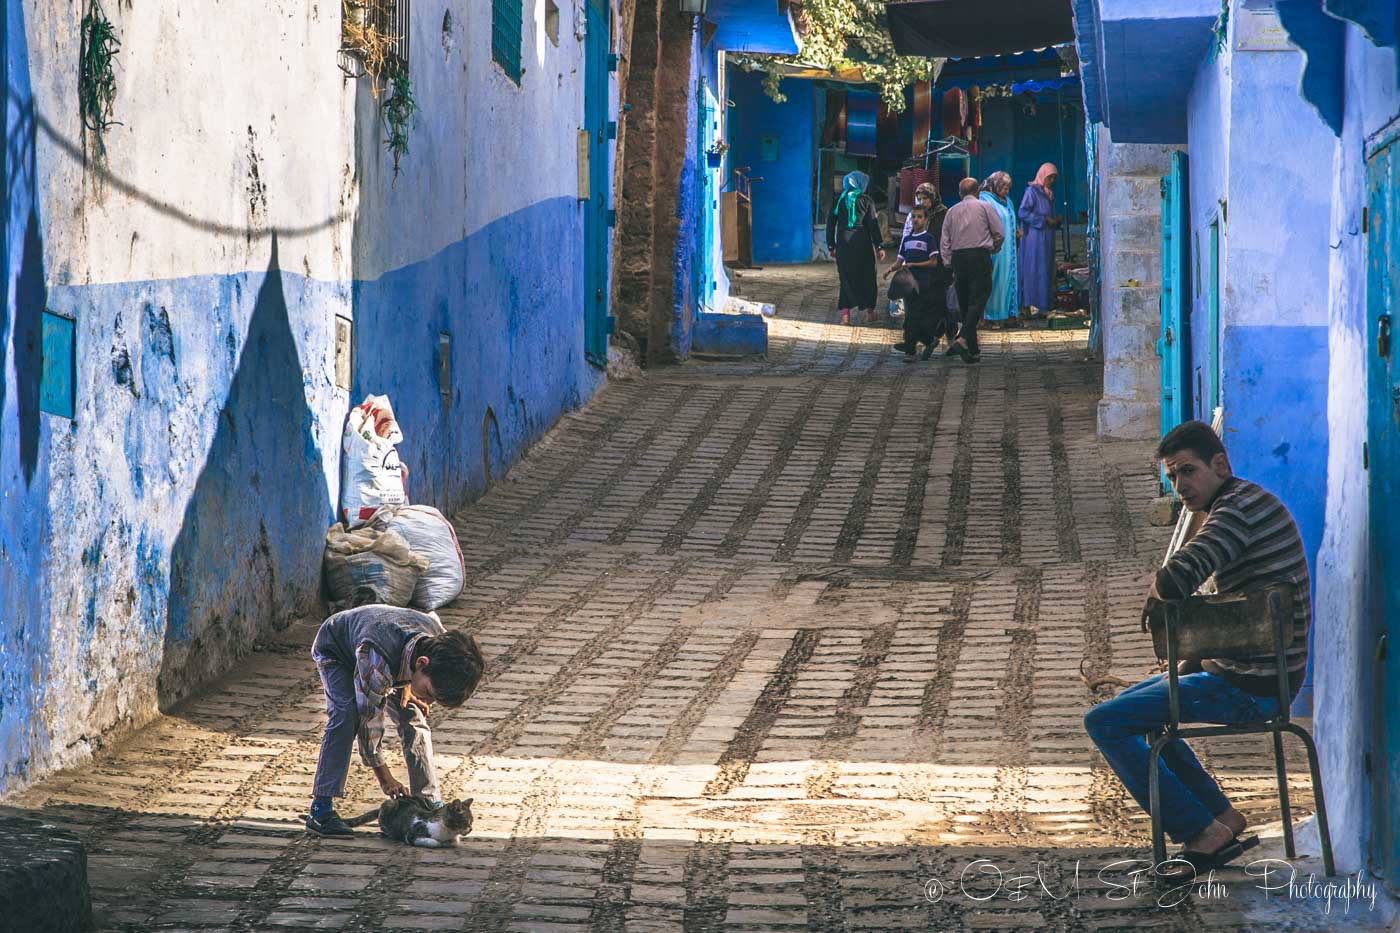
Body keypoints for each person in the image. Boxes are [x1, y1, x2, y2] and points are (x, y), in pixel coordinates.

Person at [1083, 421, 1311, 879]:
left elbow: (1180, 574)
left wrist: (1156, 592)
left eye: (1187, 472)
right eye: (1172, 477)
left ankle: (1199, 831)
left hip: (1255, 685)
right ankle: (1221, 818)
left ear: (1220, 465)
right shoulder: (1241, 501)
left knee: (1104, 721)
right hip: (1249, 669)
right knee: (1128, 707)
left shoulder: (1236, 512)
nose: (1180, 486)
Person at [306, 603, 486, 836]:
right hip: (337, 650)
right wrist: (385, 778)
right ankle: (320, 809)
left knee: (414, 718)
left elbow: (417, 673)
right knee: (345, 716)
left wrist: (411, 686)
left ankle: (428, 802)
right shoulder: (376, 659)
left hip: (399, 659)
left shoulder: (438, 638)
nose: (430, 702)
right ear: (422, 664)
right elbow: (368, 720)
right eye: (430, 693)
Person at [940, 176, 1004, 364]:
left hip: (959, 258)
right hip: (979, 256)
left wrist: (948, 263)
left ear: (960, 194)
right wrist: (993, 248)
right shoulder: (985, 207)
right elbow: (999, 233)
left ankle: (973, 349)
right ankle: (962, 338)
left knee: (966, 301)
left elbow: (945, 241)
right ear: (977, 192)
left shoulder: (952, 211)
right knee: (979, 299)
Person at [826, 171, 886, 326]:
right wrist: (879, 246)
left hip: (843, 243)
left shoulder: (838, 200)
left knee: (845, 277)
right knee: (867, 276)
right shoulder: (866, 200)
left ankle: (845, 316)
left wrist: (831, 245)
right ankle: (869, 313)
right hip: (862, 243)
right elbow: (873, 224)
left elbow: (830, 224)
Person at [883, 204, 941, 362]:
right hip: (908, 284)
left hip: (922, 283)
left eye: (919, 217)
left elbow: (933, 262)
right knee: (910, 316)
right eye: (914, 216)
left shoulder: (928, 238)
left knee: (912, 318)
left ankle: (910, 351)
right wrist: (890, 270)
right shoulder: (907, 239)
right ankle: (928, 340)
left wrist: (915, 265)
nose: (916, 220)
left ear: (926, 219)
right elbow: (900, 261)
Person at [1018, 162, 1060, 319]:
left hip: (1047, 239)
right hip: (1034, 240)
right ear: (1043, 176)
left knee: (1046, 270)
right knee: (1034, 270)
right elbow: (1023, 212)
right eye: (1050, 178)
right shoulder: (1032, 192)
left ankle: (1043, 304)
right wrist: (1043, 220)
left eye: (1054, 178)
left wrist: (1054, 221)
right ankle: (1030, 303)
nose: (1052, 181)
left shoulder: (1048, 194)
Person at [979, 172, 1020, 329]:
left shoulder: (1007, 201)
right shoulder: (985, 199)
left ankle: (1007, 314)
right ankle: (991, 316)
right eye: (1003, 187)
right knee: (995, 280)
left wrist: (1016, 230)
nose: (1006, 191)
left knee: (1008, 280)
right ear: (995, 185)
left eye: (1008, 188)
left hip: (1009, 250)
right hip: (995, 251)